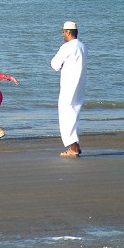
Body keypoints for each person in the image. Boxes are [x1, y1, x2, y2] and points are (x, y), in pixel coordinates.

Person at [51, 21, 87, 157]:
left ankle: (73, 147)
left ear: (68, 32)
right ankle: (75, 145)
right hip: (80, 85)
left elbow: (54, 64)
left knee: (66, 115)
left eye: (63, 32)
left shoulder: (67, 47)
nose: (62, 34)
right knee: (74, 113)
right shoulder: (83, 46)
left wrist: (61, 65)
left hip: (68, 85)